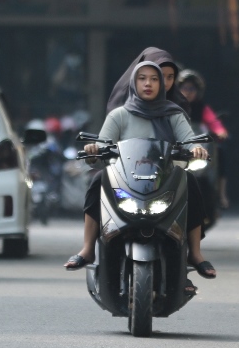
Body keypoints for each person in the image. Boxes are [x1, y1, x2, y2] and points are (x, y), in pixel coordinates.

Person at [65, 62, 214, 281]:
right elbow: (103, 148)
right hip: (125, 180)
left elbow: (189, 140)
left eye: (155, 79)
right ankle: (87, 248)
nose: (148, 84)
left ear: (162, 84)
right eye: (142, 78)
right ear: (133, 83)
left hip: (165, 180)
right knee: (98, 179)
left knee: (190, 180)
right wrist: (94, 151)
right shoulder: (119, 115)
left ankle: (195, 253)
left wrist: (196, 149)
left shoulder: (174, 114)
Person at [178, 70, 231, 211]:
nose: (187, 92)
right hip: (178, 148)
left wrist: (220, 132)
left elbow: (214, 123)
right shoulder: (173, 108)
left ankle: (221, 194)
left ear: (198, 91)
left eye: (191, 89)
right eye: (184, 88)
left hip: (199, 148)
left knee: (221, 152)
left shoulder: (202, 108)